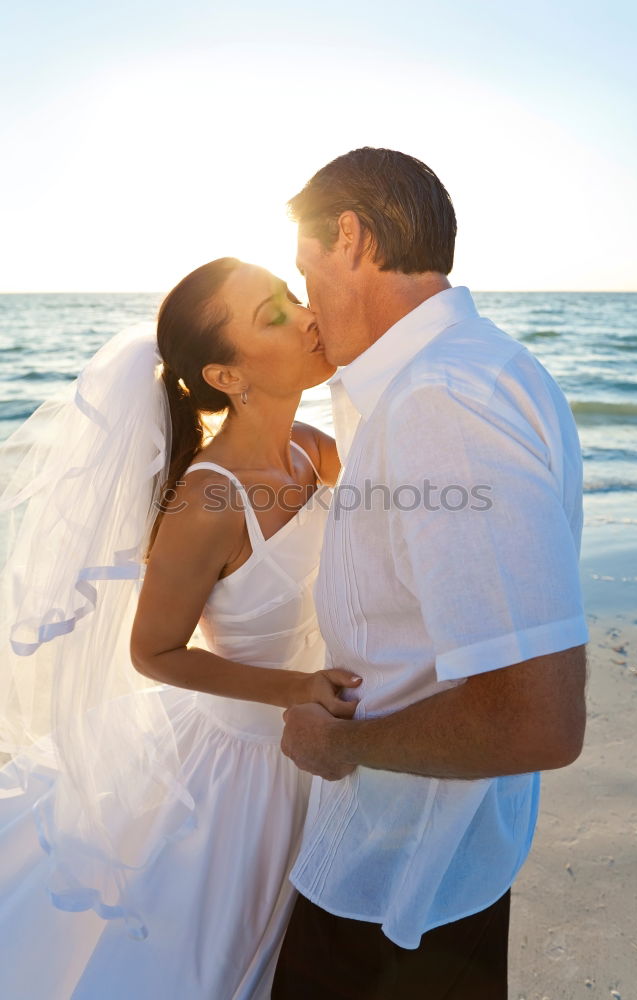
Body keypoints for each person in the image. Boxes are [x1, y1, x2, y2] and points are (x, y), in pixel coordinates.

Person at [274, 148, 589, 999]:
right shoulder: (470, 375)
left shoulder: (441, 402)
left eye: (306, 271)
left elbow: (539, 719)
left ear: (350, 237)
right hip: (435, 874)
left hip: (396, 896)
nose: (305, 305)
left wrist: (339, 743)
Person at [0, 258, 360, 999]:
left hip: (325, 747)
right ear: (228, 377)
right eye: (273, 315)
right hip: (240, 772)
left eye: (291, 297)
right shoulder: (207, 502)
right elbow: (154, 651)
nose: (305, 314)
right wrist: (298, 687)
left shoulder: (314, 451)